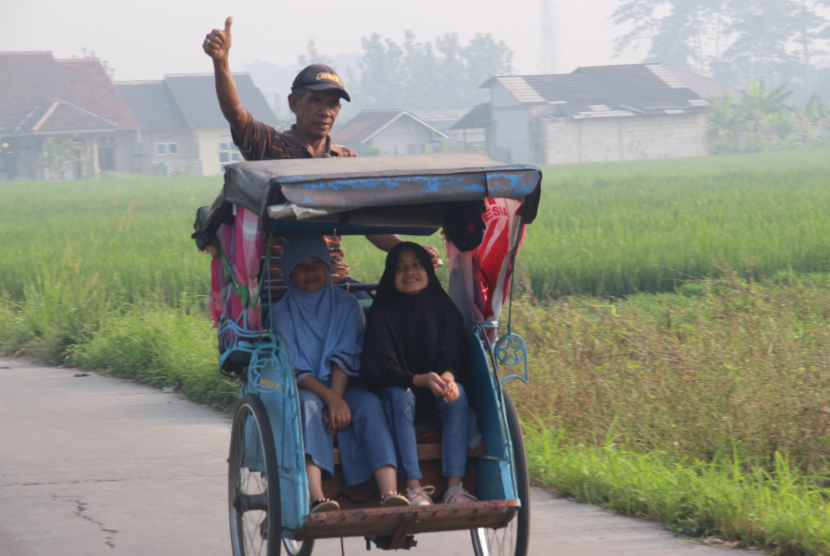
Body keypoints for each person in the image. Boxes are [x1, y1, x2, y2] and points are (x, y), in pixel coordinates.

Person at [202, 17, 442, 296]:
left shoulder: (347, 161)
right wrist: (221, 61)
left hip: (336, 280)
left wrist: (410, 250)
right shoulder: (270, 147)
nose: (325, 110)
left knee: (378, 313)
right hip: (281, 284)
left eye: (333, 104)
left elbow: (370, 223)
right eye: (316, 100)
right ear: (294, 103)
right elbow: (235, 113)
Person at [267, 236, 408, 510]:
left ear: (329, 267)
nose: (310, 271)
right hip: (305, 385)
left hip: (342, 381)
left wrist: (337, 399)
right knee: (306, 408)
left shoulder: (348, 305)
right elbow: (295, 367)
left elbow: (344, 357)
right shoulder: (280, 315)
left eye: (318, 262)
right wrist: (331, 401)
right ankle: (316, 496)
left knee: (369, 404)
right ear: (287, 273)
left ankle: (389, 493)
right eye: (301, 265)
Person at [360, 242, 479, 506]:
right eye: (400, 267)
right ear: (390, 275)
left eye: (417, 264)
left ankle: (454, 488)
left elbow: (454, 352)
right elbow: (380, 368)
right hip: (396, 392)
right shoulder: (383, 311)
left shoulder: (443, 308)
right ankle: (414, 488)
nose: (409, 272)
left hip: (433, 389)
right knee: (402, 396)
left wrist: (448, 377)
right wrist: (418, 380)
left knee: (458, 396)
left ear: (428, 269)